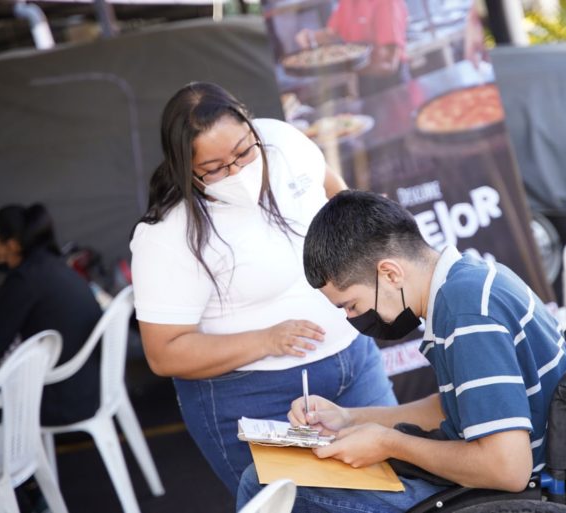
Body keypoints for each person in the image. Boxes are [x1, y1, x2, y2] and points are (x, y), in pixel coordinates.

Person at [129, 82, 397, 495]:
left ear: (251, 126)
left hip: (355, 361)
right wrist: (267, 339)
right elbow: (164, 352)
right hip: (254, 396)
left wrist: (358, 236)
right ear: (186, 167)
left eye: (243, 151)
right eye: (214, 168)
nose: (236, 172)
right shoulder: (169, 233)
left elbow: (331, 187)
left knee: (400, 488)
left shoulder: (284, 142)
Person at [237, 190, 566, 512]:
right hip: (511, 475)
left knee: (265, 481)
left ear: (390, 272)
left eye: (351, 305)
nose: (353, 318)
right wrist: (348, 418)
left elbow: (507, 470)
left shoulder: (466, 314)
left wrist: (389, 443)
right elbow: (451, 408)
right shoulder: (470, 278)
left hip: (499, 496)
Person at [0, 204, 102, 426]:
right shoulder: (56, 266)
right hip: (91, 390)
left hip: (61, 403)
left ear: (13, 245)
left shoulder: (24, 280)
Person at [295, 0, 409, 96]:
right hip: (363, 80)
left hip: (392, 85)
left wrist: (341, 66)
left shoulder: (387, 3)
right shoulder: (347, 2)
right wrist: (309, 37)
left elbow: (389, 64)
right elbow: (331, 32)